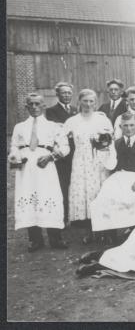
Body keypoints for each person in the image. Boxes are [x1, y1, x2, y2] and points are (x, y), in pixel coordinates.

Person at [8, 93, 70, 251]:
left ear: (44, 106)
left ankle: (55, 238)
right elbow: (14, 146)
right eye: (31, 104)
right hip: (26, 167)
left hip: (45, 166)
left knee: (49, 196)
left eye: (38, 104)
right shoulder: (19, 127)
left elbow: (65, 147)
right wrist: (15, 156)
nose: (34, 107)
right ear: (26, 107)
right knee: (29, 196)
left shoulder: (54, 126)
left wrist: (51, 156)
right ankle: (35, 240)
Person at [90, 112, 135, 242]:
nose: (129, 128)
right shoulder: (114, 144)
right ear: (120, 126)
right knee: (105, 196)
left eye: (132, 125)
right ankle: (110, 233)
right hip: (119, 176)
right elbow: (111, 165)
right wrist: (104, 152)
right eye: (125, 125)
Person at [63, 89, 116, 244]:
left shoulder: (102, 119)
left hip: (99, 160)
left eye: (91, 101)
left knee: (100, 193)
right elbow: (60, 138)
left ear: (95, 103)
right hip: (80, 161)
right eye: (85, 101)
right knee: (85, 194)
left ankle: (104, 230)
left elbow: (110, 140)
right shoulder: (72, 121)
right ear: (79, 102)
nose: (88, 104)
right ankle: (89, 231)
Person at [45, 82, 78, 223]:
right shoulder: (51, 111)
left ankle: (75, 215)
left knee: (75, 184)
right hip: (62, 155)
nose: (66, 95)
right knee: (63, 185)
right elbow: (55, 132)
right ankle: (63, 216)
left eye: (69, 93)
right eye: (63, 93)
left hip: (76, 152)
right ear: (57, 94)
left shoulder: (76, 109)